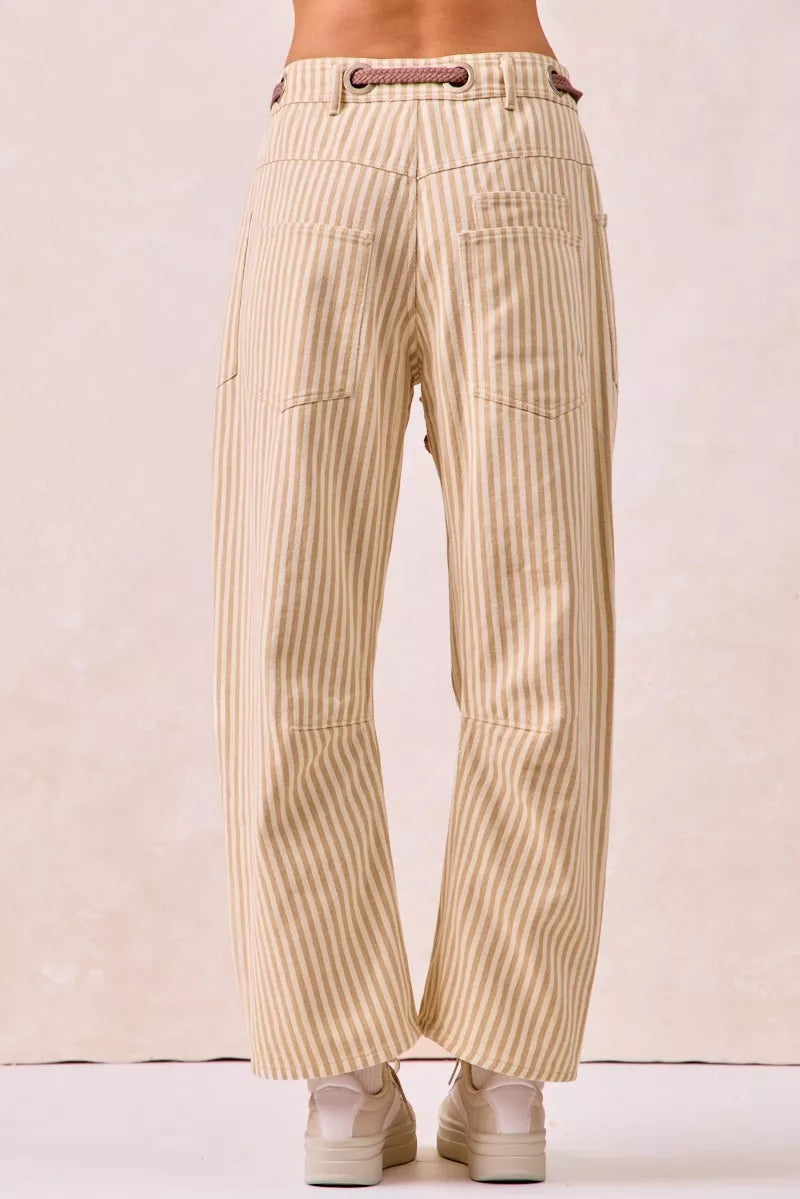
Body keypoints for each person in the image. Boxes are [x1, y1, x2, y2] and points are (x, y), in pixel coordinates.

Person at [211, 0, 618, 1185]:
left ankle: (343, 1087)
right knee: (541, 633)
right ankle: (505, 1082)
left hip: (326, 148)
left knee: (286, 629)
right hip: (513, 146)